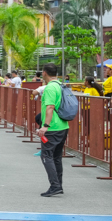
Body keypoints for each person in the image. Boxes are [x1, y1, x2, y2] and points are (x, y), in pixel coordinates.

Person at [38, 64, 69, 197]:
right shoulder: (60, 85)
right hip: (63, 125)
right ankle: (58, 184)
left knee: (46, 156)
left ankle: (55, 185)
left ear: (44, 73)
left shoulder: (50, 87)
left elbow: (50, 107)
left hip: (53, 127)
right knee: (56, 157)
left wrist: (45, 125)